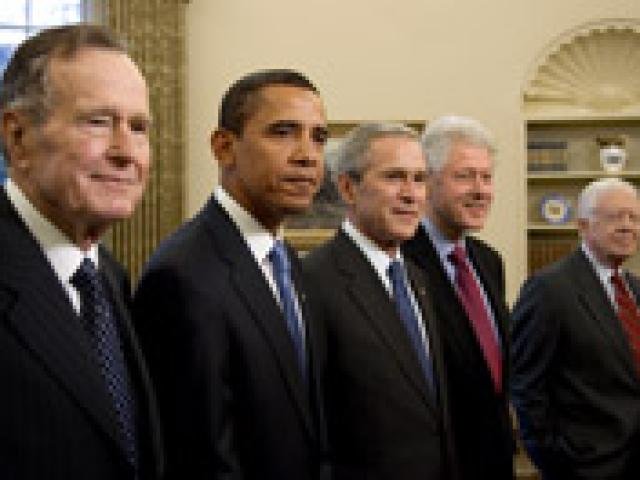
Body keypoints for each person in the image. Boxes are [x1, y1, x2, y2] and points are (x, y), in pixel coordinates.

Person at [133, 69, 330, 479]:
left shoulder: (287, 261)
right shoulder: (182, 275)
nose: (307, 155)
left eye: (318, 137)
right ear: (224, 147)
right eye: (283, 133)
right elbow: (198, 458)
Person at [0, 25, 162, 479]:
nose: (127, 152)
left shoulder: (109, 276)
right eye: (98, 122)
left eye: (138, 127)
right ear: (17, 137)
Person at [303, 123, 458, 479]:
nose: (411, 194)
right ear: (347, 188)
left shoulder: (418, 279)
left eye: (419, 179)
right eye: (394, 177)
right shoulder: (313, 281)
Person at [403, 115, 514, 479]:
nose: (480, 190)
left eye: (487, 177)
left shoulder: (488, 261)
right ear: (427, 182)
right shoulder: (401, 260)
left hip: (494, 459)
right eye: (464, 176)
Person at [512, 178, 640, 479]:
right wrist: (557, 463)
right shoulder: (548, 289)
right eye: (614, 217)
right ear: (582, 226)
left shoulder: (634, 289)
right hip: (585, 466)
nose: (627, 226)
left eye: (634, 217)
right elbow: (527, 386)